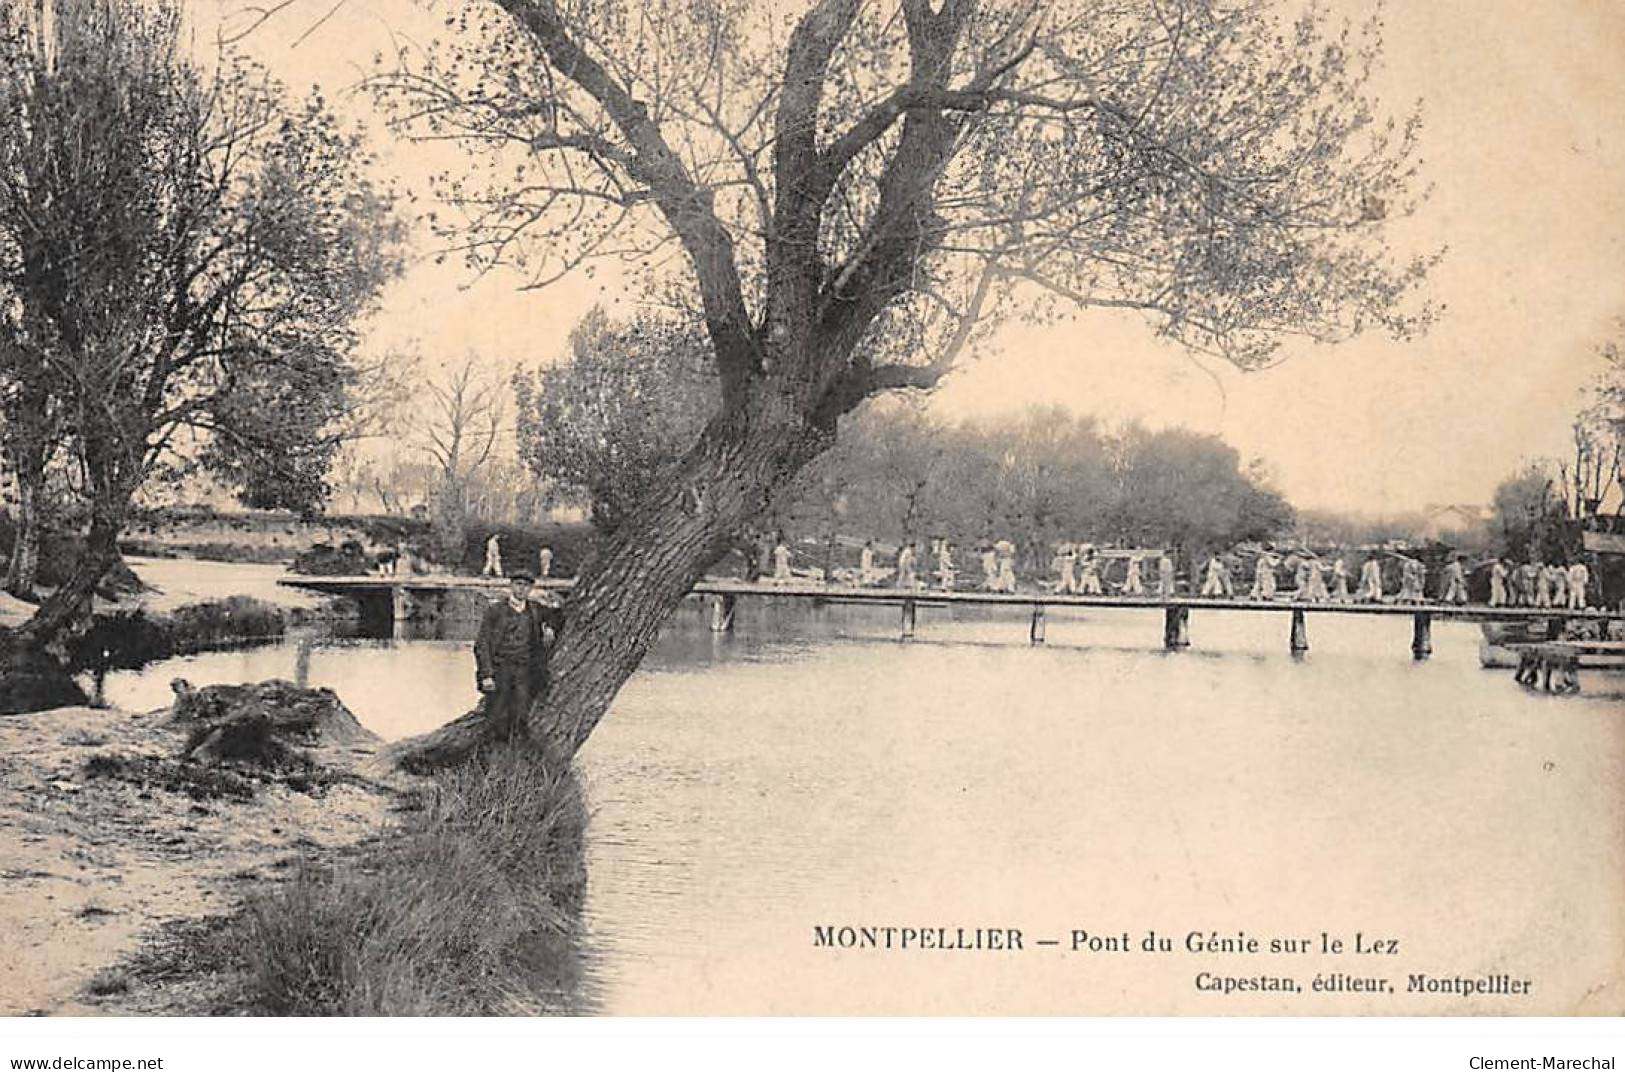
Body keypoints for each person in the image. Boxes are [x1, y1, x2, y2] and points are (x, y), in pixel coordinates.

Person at [474, 572, 565, 741]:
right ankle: (489, 756)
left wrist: (550, 627)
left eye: (526, 585)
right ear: (511, 586)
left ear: (530, 589)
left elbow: (557, 615)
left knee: (521, 714)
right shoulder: (495, 611)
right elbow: (482, 644)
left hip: (524, 670)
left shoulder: (535, 609)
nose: (521, 589)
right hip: (500, 669)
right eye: (518, 584)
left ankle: (515, 757)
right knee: (496, 715)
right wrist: (486, 674)